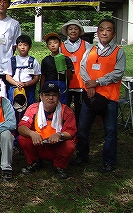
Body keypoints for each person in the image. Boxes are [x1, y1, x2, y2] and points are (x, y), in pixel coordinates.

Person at [75, 19, 125, 173]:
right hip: (90, 96)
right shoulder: (90, 51)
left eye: (108, 30)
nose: (104, 32)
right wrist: (90, 85)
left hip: (109, 98)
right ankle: (82, 156)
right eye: (101, 29)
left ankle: (108, 161)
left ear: (113, 34)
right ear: (97, 33)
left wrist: (97, 82)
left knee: (110, 132)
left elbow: (118, 73)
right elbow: (83, 69)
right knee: (82, 129)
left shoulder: (119, 52)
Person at [18, 82, 77, 179]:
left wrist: (59, 135)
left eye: (54, 95)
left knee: (70, 145)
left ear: (58, 97)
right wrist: (32, 134)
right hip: (38, 144)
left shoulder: (66, 111)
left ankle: (59, 167)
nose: (50, 98)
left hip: (56, 145)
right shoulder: (33, 108)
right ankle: (34, 162)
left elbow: (71, 132)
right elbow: (21, 127)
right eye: (47, 95)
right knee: (22, 139)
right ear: (41, 96)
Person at [60, 20, 92, 125]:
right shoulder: (61, 46)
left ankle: (78, 130)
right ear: (67, 31)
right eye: (70, 29)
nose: (73, 31)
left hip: (81, 84)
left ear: (80, 31)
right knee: (65, 108)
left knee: (80, 109)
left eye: (75, 28)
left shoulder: (87, 45)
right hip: (66, 84)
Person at [5, 34, 41, 118]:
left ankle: (26, 127)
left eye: (25, 45)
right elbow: (8, 76)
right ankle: (14, 128)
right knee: (13, 109)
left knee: (28, 109)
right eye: (20, 45)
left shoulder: (33, 61)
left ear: (30, 46)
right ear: (17, 47)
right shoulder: (12, 60)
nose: (22, 47)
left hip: (28, 88)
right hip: (14, 88)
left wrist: (26, 84)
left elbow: (36, 77)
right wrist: (16, 83)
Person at [41, 32, 74, 104]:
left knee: (62, 105)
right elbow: (43, 76)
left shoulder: (66, 59)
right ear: (47, 46)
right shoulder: (46, 60)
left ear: (60, 44)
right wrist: (41, 90)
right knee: (49, 104)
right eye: (50, 44)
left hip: (62, 86)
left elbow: (70, 77)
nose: (53, 45)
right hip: (49, 84)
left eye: (55, 43)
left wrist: (65, 66)